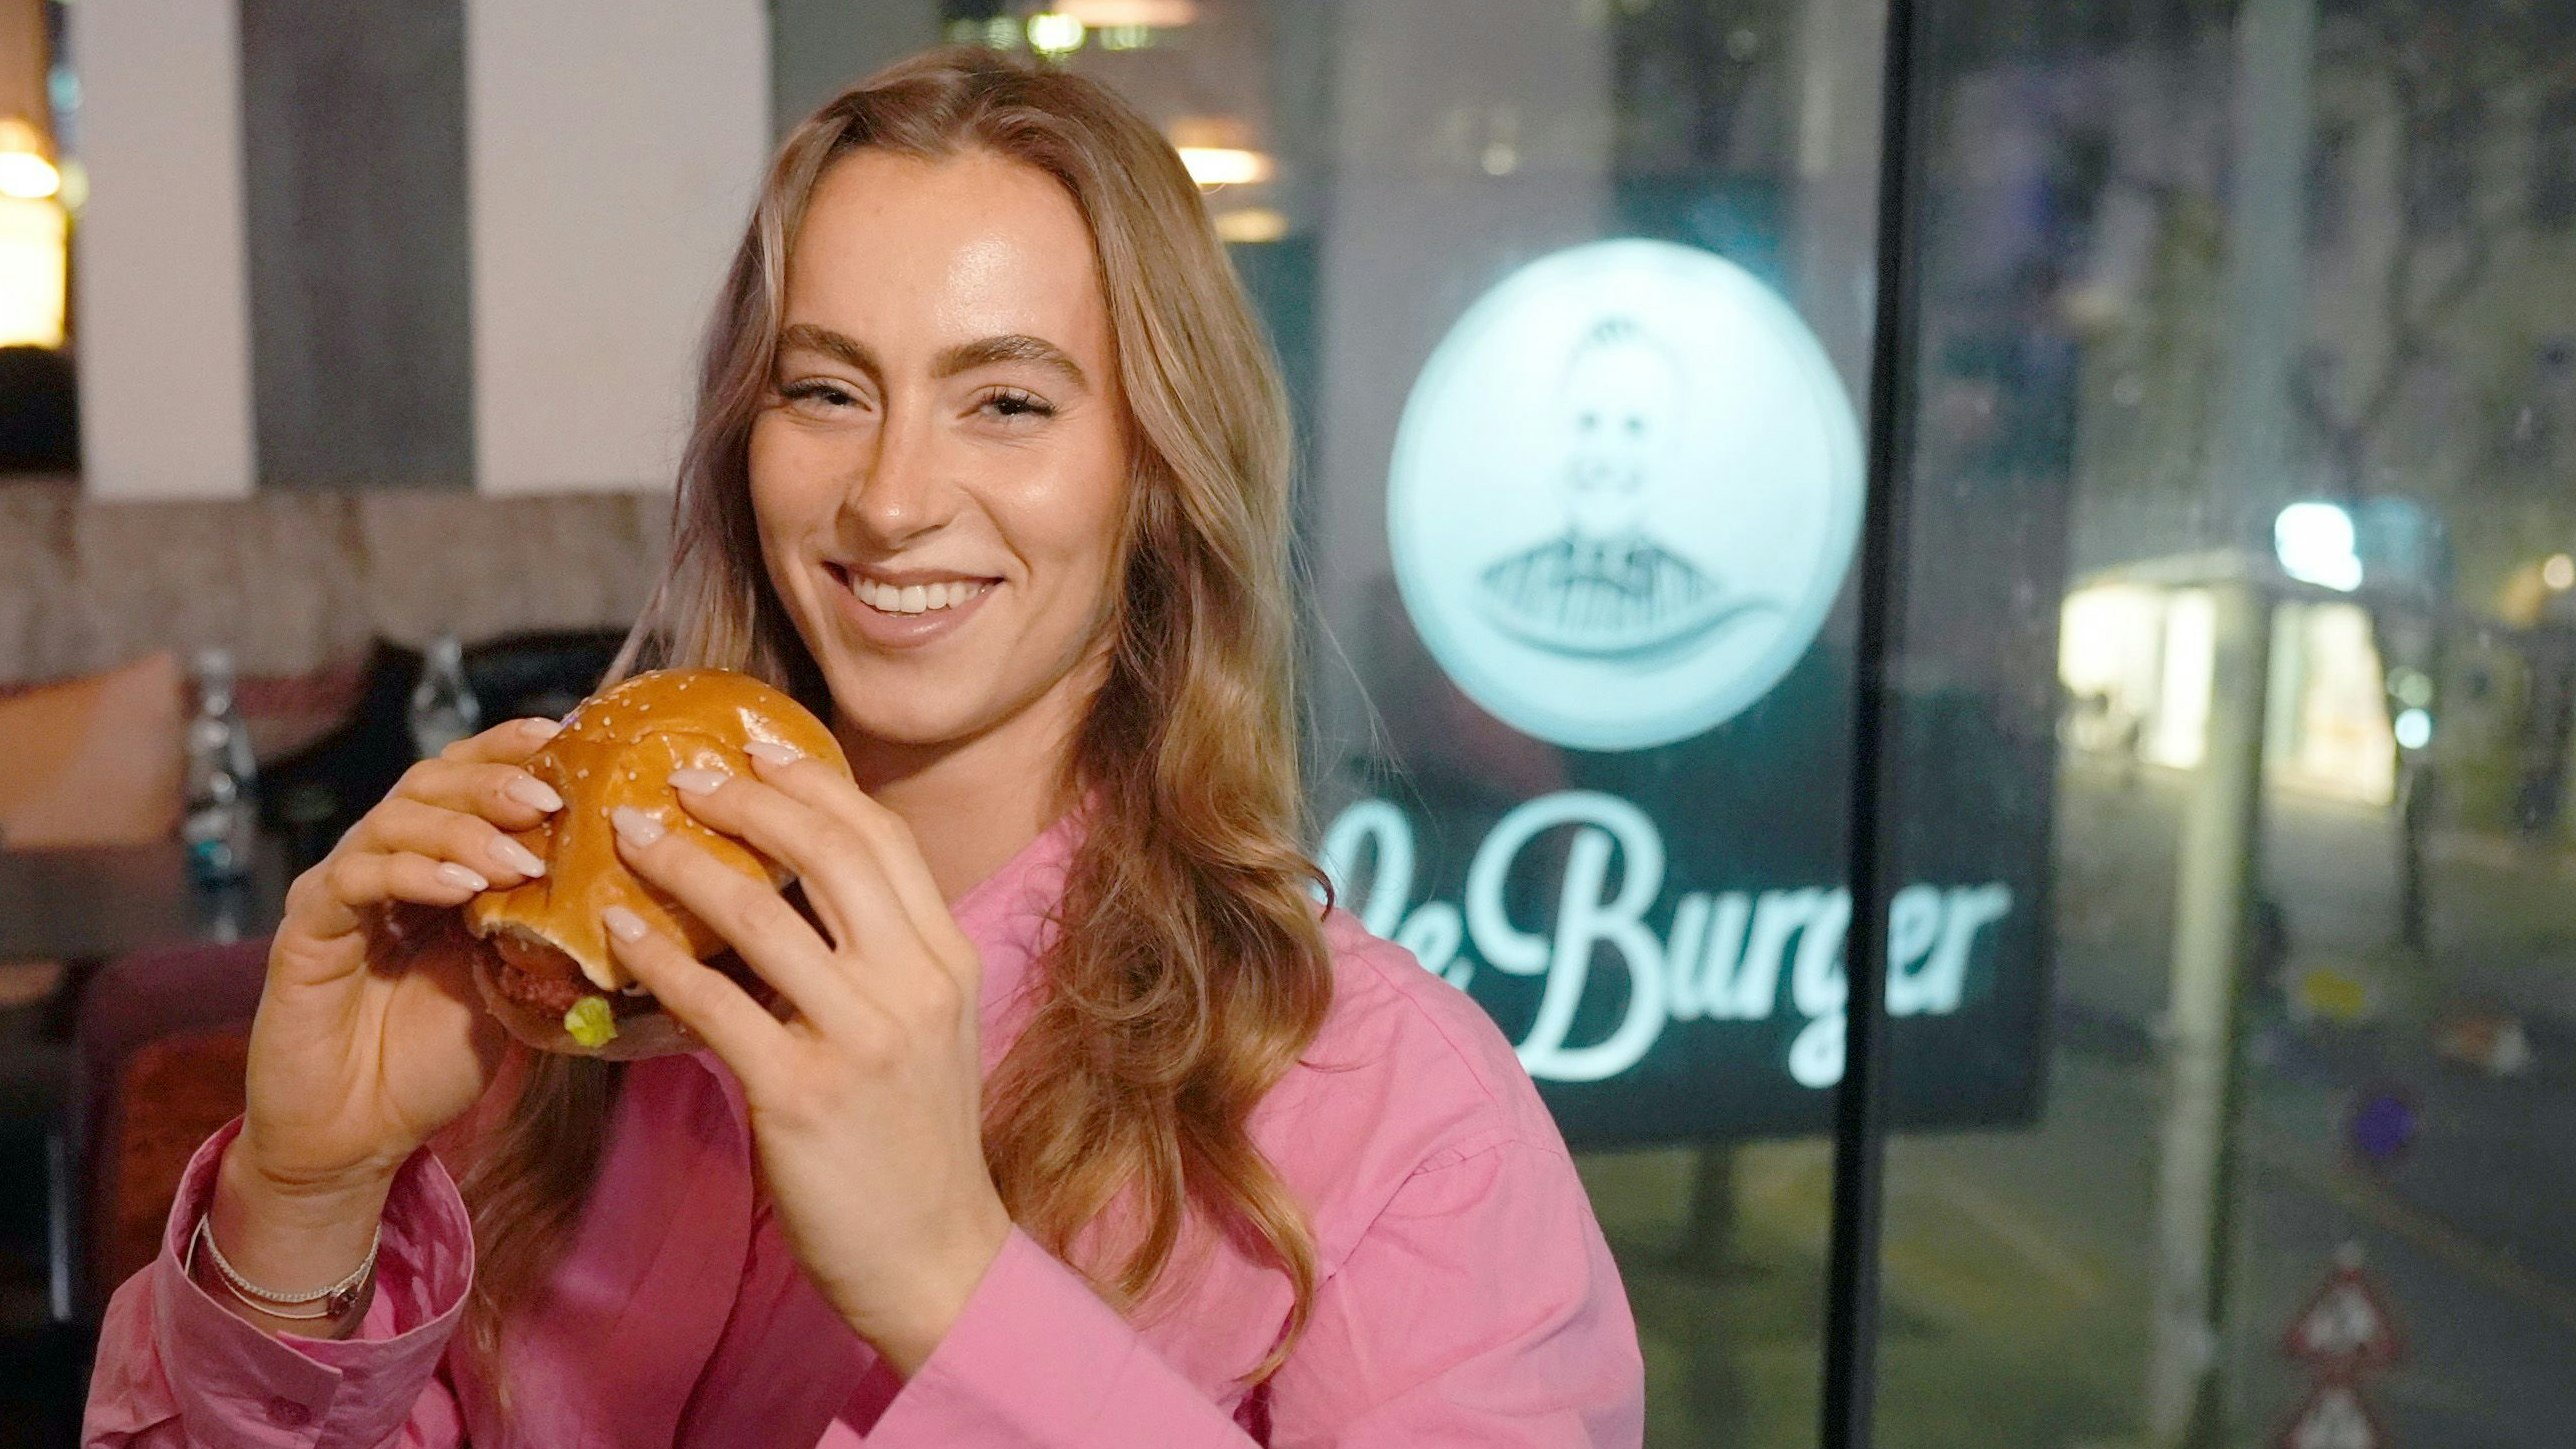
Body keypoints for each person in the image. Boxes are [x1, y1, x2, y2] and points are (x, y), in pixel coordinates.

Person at [82, 46, 1644, 1448]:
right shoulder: (557, 1005)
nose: (891, 499)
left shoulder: (1397, 1124)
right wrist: (300, 1198)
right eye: (825, 389)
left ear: (1159, 476)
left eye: (1009, 402)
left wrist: (953, 1285)